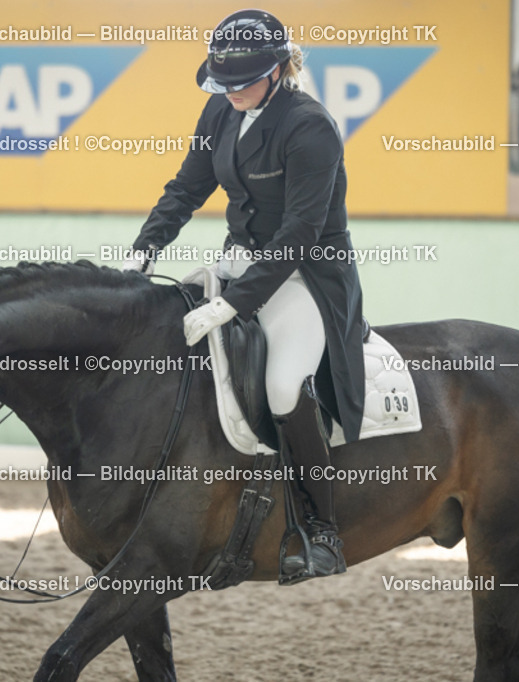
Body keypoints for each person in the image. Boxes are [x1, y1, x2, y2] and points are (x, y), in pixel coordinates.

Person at [123, 8, 365, 582]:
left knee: (283, 386)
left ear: (280, 69)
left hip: (307, 273)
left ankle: (321, 530)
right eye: (223, 82)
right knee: (162, 328)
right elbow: (187, 186)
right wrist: (144, 248)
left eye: (244, 82)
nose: (231, 93)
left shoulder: (310, 127)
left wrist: (233, 304)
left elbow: (300, 233)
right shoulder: (221, 107)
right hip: (241, 258)